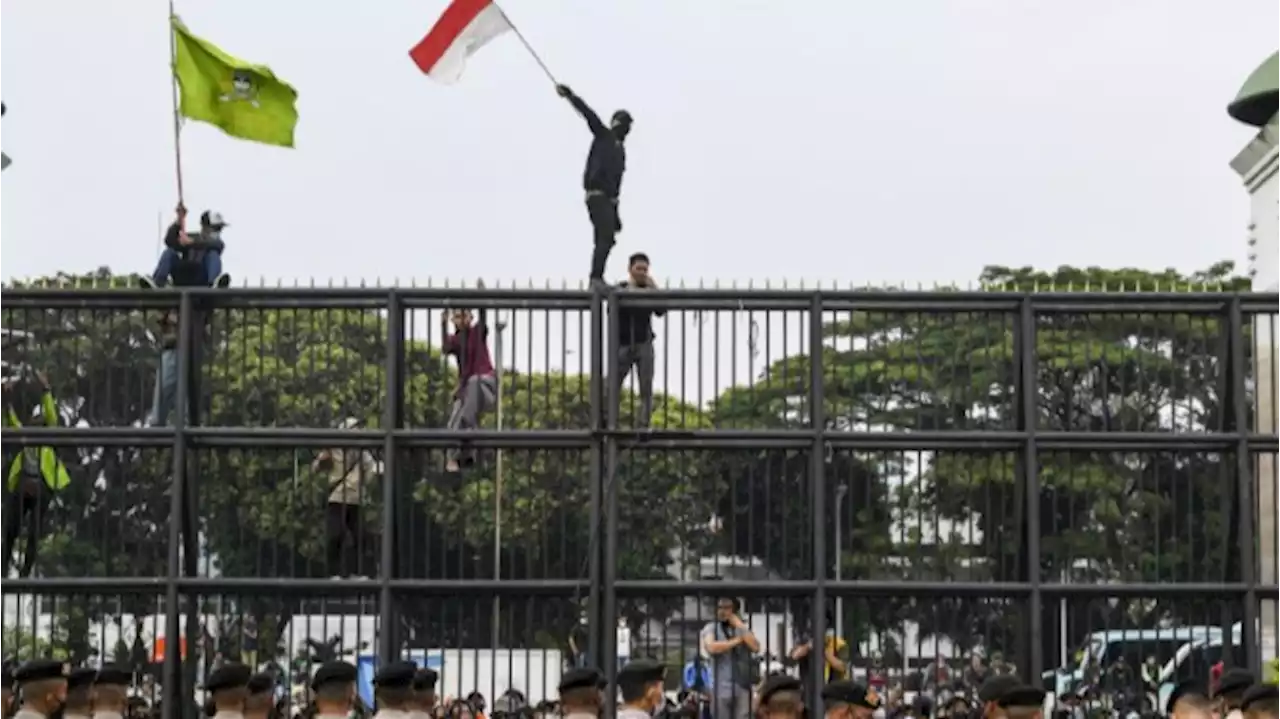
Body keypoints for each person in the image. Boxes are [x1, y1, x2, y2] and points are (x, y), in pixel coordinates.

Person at [554, 84, 633, 286]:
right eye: (624, 124)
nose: (626, 129)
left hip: (608, 199)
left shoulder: (620, 152)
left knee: (607, 238)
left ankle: (597, 276)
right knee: (605, 236)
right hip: (597, 194)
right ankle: (595, 277)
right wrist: (571, 96)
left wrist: (616, 213)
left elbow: (617, 187)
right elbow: (589, 115)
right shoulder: (605, 137)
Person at [1, 370, 71, 578]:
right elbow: (10, 420)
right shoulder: (24, 436)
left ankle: (25, 572)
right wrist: (6, 400)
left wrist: (46, 390)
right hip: (22, 486)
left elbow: (52, 417)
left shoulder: (47, 439)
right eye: (34, 419)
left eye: (39, 420)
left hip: (41, 487)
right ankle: (3, 569)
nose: (36, 422)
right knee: (10, 529)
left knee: (34, 533)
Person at [312, 417, 378, 578]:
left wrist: (362, 484)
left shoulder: (362, 452)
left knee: (361, 536)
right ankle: (334, 573)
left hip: (355, 499)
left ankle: (358, 572)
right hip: (337, 497)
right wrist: (321, 462)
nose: (357, 431)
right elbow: (315, 468)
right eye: (354, 428)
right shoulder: (333, 449)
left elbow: (372, 469)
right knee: (336, 535)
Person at [441, 299, 496, 474]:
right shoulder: (457, 340)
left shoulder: (477, 332)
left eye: (464, 315)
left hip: (485, 385)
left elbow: (484, 316)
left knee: (473, 383)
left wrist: (480, 296)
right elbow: (445, 346)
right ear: (453, 321)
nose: (461, 319)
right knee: (456, 417)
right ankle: (462, 457)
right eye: (457, 317)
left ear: (471, 317)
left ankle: (472, 441)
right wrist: (442, 325)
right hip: (467, 390)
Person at [612, 253, 663, 429]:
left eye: (645, 269)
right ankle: (611, 422)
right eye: (638, 268)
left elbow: (661, 310)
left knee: (646, 388)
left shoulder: (649, 291)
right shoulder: (620, 288)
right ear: (630, 269)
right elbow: (612, 310)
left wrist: (654, 289)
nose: (642, 272)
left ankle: (643, 425)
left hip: (644, 343)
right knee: (612, 385)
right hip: (623, 344)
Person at [141, 205, 232, 289]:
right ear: (205, 227)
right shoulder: (190, 237)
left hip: (202, 278)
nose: (218, 231)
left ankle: (214, 284)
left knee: (213, 255)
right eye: (216, 228)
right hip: (184, 276)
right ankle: (158, 282)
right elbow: (169, 241)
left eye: (219, 228)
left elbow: (216, 245)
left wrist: (191, 243)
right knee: (169, 252)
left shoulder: (216, 243)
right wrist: (178, 221)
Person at [700, 597, 759, 719]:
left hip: (743, 687)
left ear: (735, 611)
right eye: (720, 607)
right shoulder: (712, 628)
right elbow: (711, 647)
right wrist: (737, 641)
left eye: (727, 608)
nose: (722, 611)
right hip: (720, 688)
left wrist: (739, 625)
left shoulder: (742, 629)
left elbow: (755, 647)